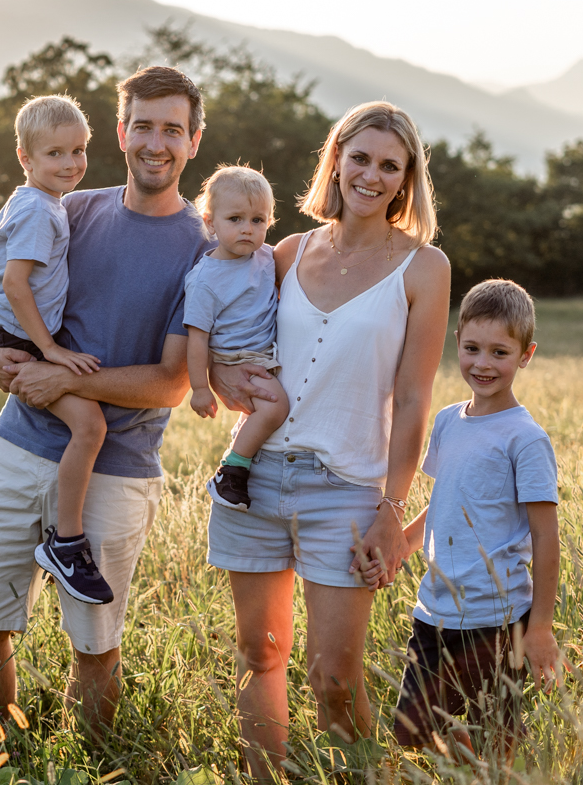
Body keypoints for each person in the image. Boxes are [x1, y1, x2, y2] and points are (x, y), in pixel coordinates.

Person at [0, 66, 209, 736]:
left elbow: (172, 382)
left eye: (172, 130)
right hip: (18, 447)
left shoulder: (202, 253)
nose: (156, 143)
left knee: (94, 652)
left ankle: (91, 771)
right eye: (143, 126)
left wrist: (65, 380)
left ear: (194, 141)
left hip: (116, 469)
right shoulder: (67, 206)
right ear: (121, 133)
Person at [205, 101, 451, 777]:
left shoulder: (425, 269)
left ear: (406, 182)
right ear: (336, 160)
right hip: (253, 480)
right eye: (361, 158)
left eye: (389, 166)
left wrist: (390, 507)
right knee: (260, 656)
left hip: (344, 491)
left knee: (333, 678)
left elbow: (411, 398)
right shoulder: (284, 252)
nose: (371, 175)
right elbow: (229, 336)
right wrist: (221, 377)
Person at [392, 278, 562, 761]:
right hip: (435, 609)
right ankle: (469, 767)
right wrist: (400, 546)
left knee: (498, 735)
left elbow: (546, 539)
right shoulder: (447, 420)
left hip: (497, 615)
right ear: (457, 341)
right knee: (412, 729)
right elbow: (445, 498)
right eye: (472, 348)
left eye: (499, 352)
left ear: (526, 354)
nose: (482, 364)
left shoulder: (524, 439)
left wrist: (541, 628)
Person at [0, 95, 113, 604]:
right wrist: (50, 351)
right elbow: (15, 285)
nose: (71, 163)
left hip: (15, 332)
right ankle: (66, 540)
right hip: (21, 338)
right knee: (91, 425)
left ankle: (65, 536)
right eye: (55, 153)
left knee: (88, 424)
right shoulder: (39, 210)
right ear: (25, 158)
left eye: (78, 150)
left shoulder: (39, 201)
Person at [182, 165, 289, 510]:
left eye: (258, 220)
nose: (247, 229)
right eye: (235, 219)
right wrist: (200, 388)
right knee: (276, 407)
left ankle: (243, 459)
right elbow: (196, 339)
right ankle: (232, 469)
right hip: (236, 358)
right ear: (210, 222)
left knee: (262, 408)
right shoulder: (205, 280)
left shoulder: (268, 257)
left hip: (263, 351)